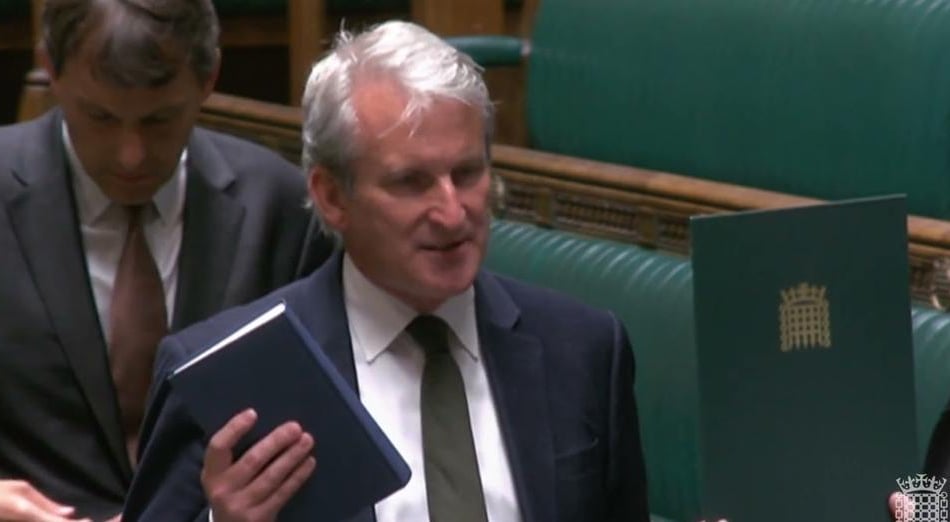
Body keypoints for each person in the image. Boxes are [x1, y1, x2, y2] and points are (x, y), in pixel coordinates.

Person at [123, 20, 650, 522]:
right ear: (332, 197)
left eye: (466, 173)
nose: (452, 212)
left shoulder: (584, 351)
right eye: (411, 183)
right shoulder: (227, 373)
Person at [0, 0, 333, 519]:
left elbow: (319, 430)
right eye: (100, 118)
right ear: (51, 69)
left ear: (209, 79)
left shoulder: (281, 210)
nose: (130, 155)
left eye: (159, 120)